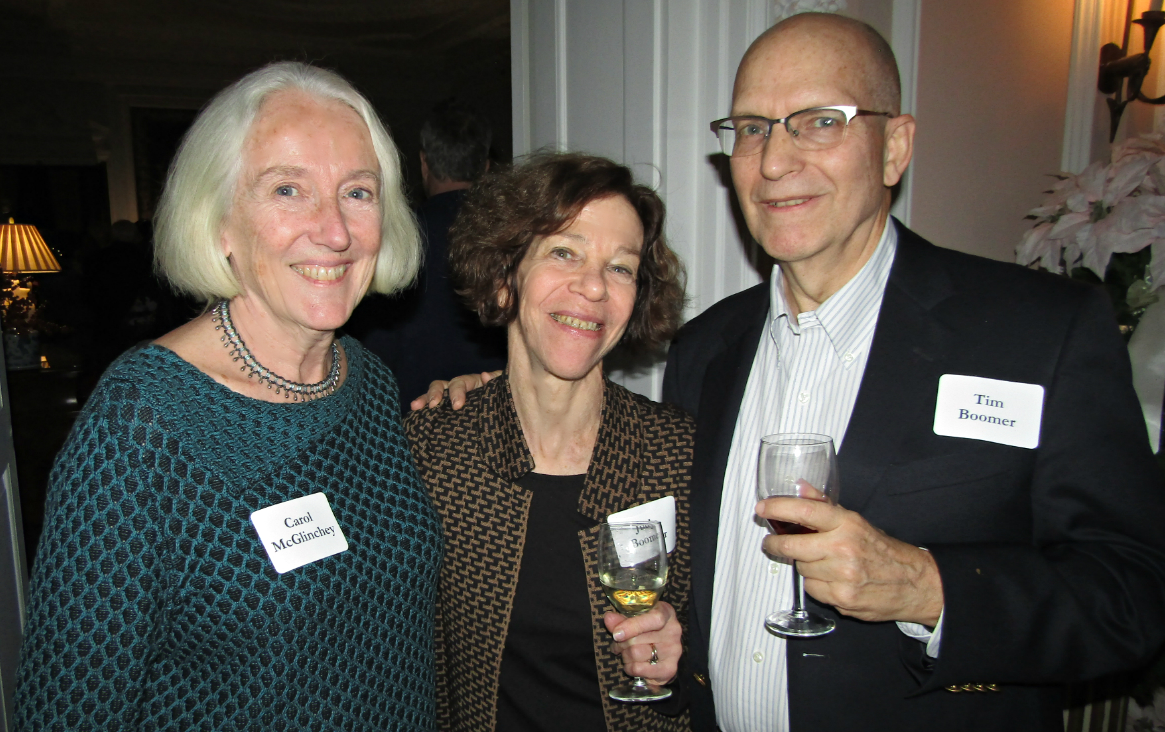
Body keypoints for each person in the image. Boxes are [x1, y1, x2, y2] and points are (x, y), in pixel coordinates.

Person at [417, 12, 1165, 732]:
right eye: (752, 129)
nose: (775, 161)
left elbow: (1136, 596)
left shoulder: (1038, 333)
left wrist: (926, 588)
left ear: (895, 147)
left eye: (820, 121)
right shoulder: (706, 352)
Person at [13, 62, 442, 730]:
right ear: (219, 222)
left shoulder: (367, 381)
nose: (334, 231)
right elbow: (69, 712)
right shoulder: (140, 424)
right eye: (288, 189)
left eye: (358, 192)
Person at [403, 152, 693, 731]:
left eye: (621, 268)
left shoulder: (680, 453)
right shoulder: (431, 451)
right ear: (504, 279)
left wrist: (683, 661)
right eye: (565, 252)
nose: (594, 286)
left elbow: (738, 648)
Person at [350, 98, 506, 410]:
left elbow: (367, 353)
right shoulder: (515, 243)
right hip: (497, 418)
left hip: (408, 421)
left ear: (424, 163)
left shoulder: (389, 243)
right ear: (487, 167)